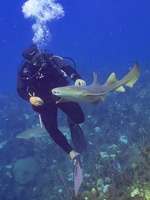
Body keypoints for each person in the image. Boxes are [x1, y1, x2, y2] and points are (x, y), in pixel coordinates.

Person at [17, 44, 87, 161]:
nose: (39, 61)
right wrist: (30, 99)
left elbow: (67, 67)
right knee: (51, 130)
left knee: (80, 119)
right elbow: (20, 89)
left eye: (39, 57)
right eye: (35, 60)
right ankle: (72, 153)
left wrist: (77, 78)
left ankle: (71, 121)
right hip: (43, 103)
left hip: (61, 95)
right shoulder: (24, 71)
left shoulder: (52, 59)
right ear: (28, 61)